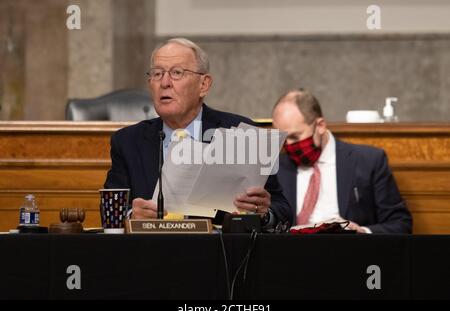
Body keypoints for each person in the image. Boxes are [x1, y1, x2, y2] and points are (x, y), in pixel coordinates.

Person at [104, 38, 291, 228]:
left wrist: (264, 214)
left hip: (221, 254)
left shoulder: (241, 133)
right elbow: (111, 211)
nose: (165, 82)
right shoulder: (128, 142)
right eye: (157, 73)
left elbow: (282, 210)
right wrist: (131, 215)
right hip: (152, 252)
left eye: (177, 73)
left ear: (204, 85)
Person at [272, 89, 412, 233]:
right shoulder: (277, 168)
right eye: (282, 138)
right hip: (293, 252)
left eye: (295, 137)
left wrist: (362, 232)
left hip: (350, 251)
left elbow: (401, 224)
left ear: (320, 126)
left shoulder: (369, 161)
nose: (288, 145)